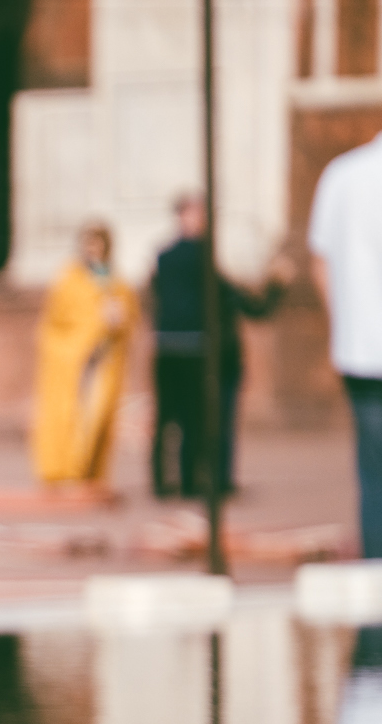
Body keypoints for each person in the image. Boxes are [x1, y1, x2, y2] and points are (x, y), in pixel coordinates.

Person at [149, 192, 292, 498]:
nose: (202, 220)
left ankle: (170, 482)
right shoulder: (197, 258)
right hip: (196, 350)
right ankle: (195, 481)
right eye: (197, 214)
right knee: (197, 418)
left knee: (173, 418)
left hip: (171, 347)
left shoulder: (169, 258)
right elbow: (247, 304)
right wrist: (274, 283)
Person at [309, 130, 382, 557]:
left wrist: (345, 324)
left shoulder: (342, 175)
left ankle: (376, 568)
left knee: (374, 473)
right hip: (360, 347)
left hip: (361, 351)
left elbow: (321, 262)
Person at [30, 220, 139, 487]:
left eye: (98, 244)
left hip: (103, 358)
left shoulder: (115, 281)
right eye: (89, 244)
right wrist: (90, 330)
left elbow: (128, 314)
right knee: (69, 413)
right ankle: (64, 468)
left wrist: (118, 320)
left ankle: (90, 468)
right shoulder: (69, 279)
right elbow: (56, 320)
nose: (93, 250)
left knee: (97, 415)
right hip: (74, 359)